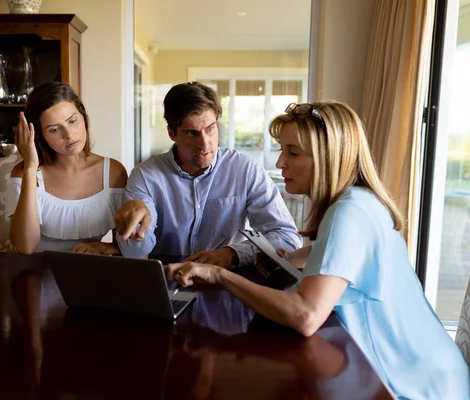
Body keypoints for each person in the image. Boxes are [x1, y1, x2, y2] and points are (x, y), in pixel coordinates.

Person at [166, 101, 470, 399]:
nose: (280, 163)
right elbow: (340, 254)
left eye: (293, 153)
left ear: (328, 157)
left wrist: (219, 275)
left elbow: (306, 315)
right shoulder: (359, 201)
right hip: (430, 370)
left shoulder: (349, 213)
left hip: (415, 387)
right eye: (282, 150)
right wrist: (286, 258)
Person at [114, 81, 301, 267]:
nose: (204, 144)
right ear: (172, 133)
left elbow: (287, 237)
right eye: (191, 133)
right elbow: (135, 253)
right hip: (168, 284)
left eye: (210, 128)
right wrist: (135, 227)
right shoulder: (145, 176)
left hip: (229, 282)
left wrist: (232, 254)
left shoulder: (245, 170)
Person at [7, 82, 127, 254]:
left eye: (73, 121)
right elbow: (25, 247)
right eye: (54, 129)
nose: (69, 135)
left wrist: (101, 247)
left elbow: (126, 246)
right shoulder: (24, 173)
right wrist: (30, 167)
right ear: (39, 135)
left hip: (90, 273)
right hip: (36, 273)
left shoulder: (114, 172)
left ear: (83, 117)